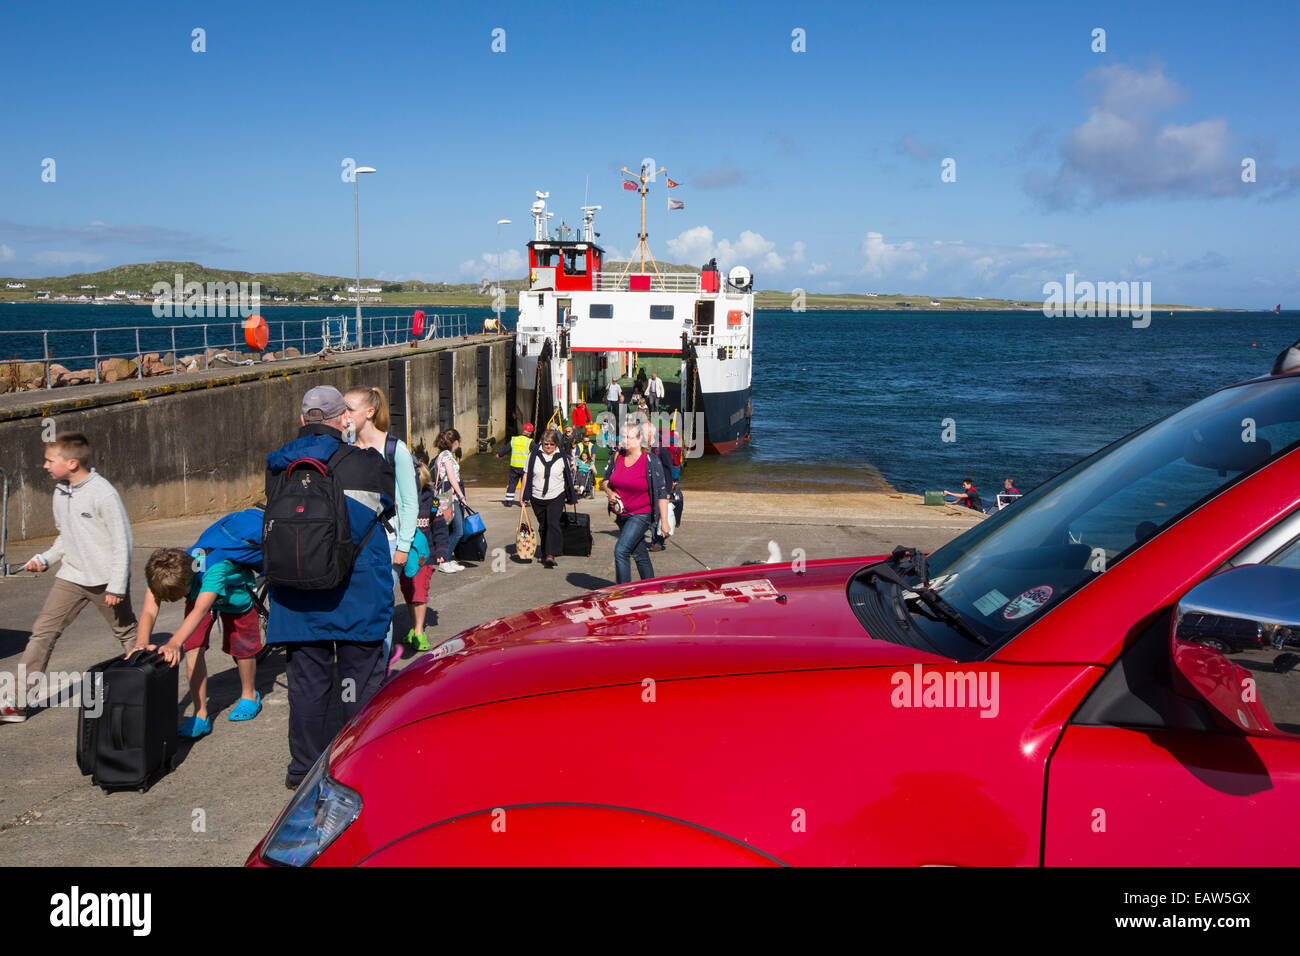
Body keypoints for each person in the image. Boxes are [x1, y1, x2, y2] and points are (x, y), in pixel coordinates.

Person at [265, 385, 394, 789]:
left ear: (303, 419)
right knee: (359, 685)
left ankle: (303, 768)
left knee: (306, 687)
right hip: (355, 595)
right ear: (344, 419)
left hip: (297, 597)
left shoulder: (277, 466)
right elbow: (381, 512)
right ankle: (355, 764)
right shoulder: (368, 463)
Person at [4, 433, 137, 724]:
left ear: (72, 462)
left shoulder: (103, 494)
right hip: (71, 577)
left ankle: (145, 689)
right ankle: (17, 702)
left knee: (128, 635)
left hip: (105, 582)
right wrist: (46, 559)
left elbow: (122, 542)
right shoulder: (60, 492)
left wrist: (116, 585)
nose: (45, 466)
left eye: (50, 461)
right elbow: (67, 536)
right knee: (42, 633)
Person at [133, 544, 262, 738]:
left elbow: (200, 610)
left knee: (241, 646)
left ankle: (249, 694)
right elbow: (149, 611)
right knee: (193, 646)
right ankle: (200, 713)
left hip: (235, 596)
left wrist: (174, 643)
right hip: (198, 596)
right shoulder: (161, 572)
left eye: (175, 596)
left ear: (187, 582)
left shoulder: (214, 570)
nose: (172, 600)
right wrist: (141, 642)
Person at [346, 387, 417, 673]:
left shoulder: (394, 448)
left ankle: (379, 671)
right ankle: (364, 666)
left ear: (370, 412)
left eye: (349, 408)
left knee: (380, 610)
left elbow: (410, 500)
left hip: (387, 541)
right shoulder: (346, 446)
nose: (344, 415)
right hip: (353, 542)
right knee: (356, 606)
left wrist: (404, 545)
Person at [604, 421, 671, 584]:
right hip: (622, 514)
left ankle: (623, 592)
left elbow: (661, 492)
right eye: (622, 437)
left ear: (639, 439)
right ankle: (650, 587)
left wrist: (664, 521)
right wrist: (610, 492)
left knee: (621, 550)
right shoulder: (617, 456)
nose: (623, 441)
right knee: (639, 553)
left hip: (641, 514)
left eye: (628, 437)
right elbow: (606, 481)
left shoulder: (650, 460)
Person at [521, 428, 576, 568]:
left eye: (552, 444)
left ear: (556, 444)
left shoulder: (562, 455)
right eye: (546, 444)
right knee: (543, 525)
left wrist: (569, 494)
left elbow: (567, 476)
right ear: (542, 443)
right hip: (536, 496)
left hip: (556, 494)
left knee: (553, 523)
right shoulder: (533, 455)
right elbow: (526, 474)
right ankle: (545, 552)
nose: (549, 447)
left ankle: (551, 555)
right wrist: (522, 495)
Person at [399, 461, 437, 651]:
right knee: (408, 592)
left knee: (420, 592)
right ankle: (414, 627)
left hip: (424, 554)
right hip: (404, 552)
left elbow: (439, 525)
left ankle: (420, 631)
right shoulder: (400, 498)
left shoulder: (432, 499)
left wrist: (442, 551)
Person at [433, 429, 469, 571]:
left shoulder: (441, 455)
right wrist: (461, 496)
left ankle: (447, 558)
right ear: (455, 442)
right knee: (458, 529)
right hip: (448, 498)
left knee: (449, 528)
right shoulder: (447, 457)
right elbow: (452, 478)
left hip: (445, 497)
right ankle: (444, 560)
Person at [647, 421, 677, 552]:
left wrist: (669, 490)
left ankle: (657, 542)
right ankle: (656, 538)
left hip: (661, 487)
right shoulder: (643, 447)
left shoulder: (661, 448)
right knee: (651, 514)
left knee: (658, 514)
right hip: (648, 486)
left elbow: (668, 469)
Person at [497, 422, 535, 506]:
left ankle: (508, 501)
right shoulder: (530, 442)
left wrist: (499, 454)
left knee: (512, 483)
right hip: (524, 467)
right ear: (530, 433)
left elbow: (506, 449)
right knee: (525, 484)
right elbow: (536, 452)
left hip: (514, 466)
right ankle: (524, 501)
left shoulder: (514, 439)